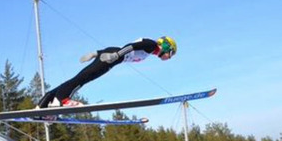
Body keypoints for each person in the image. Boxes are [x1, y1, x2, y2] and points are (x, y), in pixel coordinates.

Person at [37, 36, 177, 108]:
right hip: (112, 57)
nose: (169, 58)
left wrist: (97, 53)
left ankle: (44, 103)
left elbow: (124, 48)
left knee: (82, 77)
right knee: (83, 78)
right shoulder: (152, 45)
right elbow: (130, 46)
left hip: (112, 57)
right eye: (170, 54)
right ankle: (62, 100)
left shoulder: (151, 49)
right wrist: (115, 56)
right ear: (166, 46)